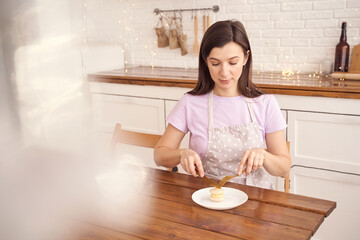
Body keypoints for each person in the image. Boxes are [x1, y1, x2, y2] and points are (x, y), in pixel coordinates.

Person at [154, 20, 291, 189]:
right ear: (205, 60)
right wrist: (182, 153)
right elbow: (159, 156)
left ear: (246, 58)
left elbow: (284, 169)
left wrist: (263, 155)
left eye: (232, 62)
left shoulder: (265, 103)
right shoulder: (190, 103)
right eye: (215, 63)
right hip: (205, 195)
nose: (224, 72)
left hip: (256, 198)